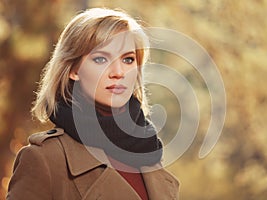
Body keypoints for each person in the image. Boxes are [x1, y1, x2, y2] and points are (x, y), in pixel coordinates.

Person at [6, 8, 179, 200]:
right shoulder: (44, 159)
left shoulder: (149, 153)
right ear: (73, 70)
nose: (119, 72)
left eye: (128, 59)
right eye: (101, 59)